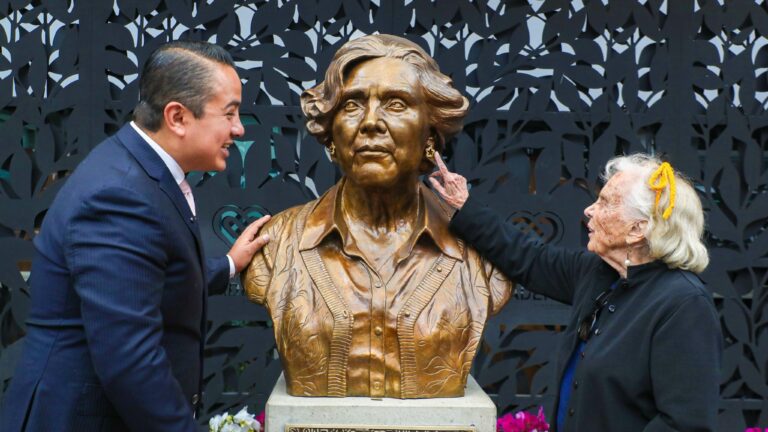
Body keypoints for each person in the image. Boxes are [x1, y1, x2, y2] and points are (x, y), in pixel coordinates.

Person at [0, 41, 271, 432]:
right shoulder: (120, 195)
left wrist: (228, 264)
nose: (239, 128)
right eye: (229, 113)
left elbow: (145, 279)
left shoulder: (142, 171)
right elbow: (130, 361)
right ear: (177, 117)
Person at [241, 34, 513, 399]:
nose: (370, 122)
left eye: (396, 104)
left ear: (430, 133)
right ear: (331, 134)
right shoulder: (277, 244)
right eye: (352, 105)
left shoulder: (479, 250)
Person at [429, 152, 722, 431]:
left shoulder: (683, 305)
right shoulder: (599, 274)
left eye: (606, 203)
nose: (590, 209)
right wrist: (465, 206)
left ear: (638, 230)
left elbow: (683, 424)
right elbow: (529, 259)